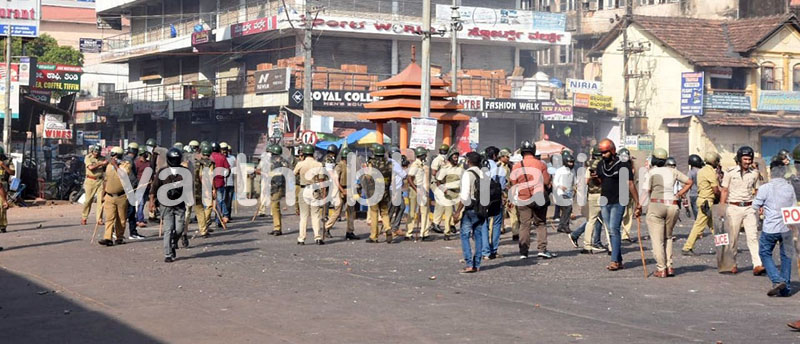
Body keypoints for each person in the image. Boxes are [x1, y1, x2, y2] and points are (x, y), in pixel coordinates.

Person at [641, 149, 692, 278]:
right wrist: (678, 194)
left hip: (656, 205)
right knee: (668, 237)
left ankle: (661, 268)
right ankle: (669, 266)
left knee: (657, 240)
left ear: (654, 160)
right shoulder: (673, 171)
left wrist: (638, 207)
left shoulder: (651, 172)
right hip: (673, 205)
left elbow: (646, 191)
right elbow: (689, 182)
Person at [595, 139, 641, 271]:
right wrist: (594, 178)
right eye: (601, 153)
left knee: (614, 229)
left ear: (612, 150)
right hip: (605, 201)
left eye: (605, 152)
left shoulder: (623, 164)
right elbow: (601, 182)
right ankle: (619, 260)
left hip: (619, 200)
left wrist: (638, 202)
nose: (603, 155)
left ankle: (614, 261)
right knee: (610, 231)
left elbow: (630, 183)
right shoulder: (601, 164)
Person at [719, 146, 763, 275]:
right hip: (733, 207)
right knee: (733, 238)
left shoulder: (755, 173)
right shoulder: (730, 172)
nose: (747, 162)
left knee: (753, 237)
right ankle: (731, 263)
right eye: (745, 159)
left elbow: (757, 191)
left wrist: (760, 205)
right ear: (739, 159)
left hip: (749, 208)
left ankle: (757, 264)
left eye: (749, 159)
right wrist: (721, 208)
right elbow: (724, 190)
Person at [754, 160, 796, 297]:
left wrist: (761, 207)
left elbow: (755, 205)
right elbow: (794, 207)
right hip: (787, 227)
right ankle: (786, 289)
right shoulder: (789, 187)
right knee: (786, 257)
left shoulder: (765, 188)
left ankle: (776, 279)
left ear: (771, 172)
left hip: (770, 228)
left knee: (764, 253)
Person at [510, 140, 554, 259]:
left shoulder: (516, 166)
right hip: (538, 198)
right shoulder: (541, 164)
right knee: (541, 223)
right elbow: (546, 182)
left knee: (524, 225)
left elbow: (513, 184)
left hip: (523, 198)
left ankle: (523, 252)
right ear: (533, 151)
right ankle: (542, 249)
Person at [149, 148, 189, 263]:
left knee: (179, 229)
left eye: (176, 159)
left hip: (179, 204)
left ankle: (173, 242)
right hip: (165, 205)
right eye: (173, 159)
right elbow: (154, 188)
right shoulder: (162, 172)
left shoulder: (185, 172)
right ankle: (168, 254)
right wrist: (151, 202)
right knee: (168, 229)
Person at [682, 152, 722, 256]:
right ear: (714, 161)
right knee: (699, 226)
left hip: (702, 199)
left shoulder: (702, 171)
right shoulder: (710, 172)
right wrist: (721, 198)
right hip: (707, 202)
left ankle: (723, 246)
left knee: (714, 226)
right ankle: (687, 247)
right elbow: (715, 190)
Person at [454, 152, 487, 273]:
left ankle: (469, 264)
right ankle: (477, 264)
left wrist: (458, 212)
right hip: (481, 208)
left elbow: (465, 196)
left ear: (469, 161)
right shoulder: (483, 173)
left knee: (465, 235)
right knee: (478, 235)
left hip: (470, 208)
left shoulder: (468, 174)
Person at [569, 147, 606, 253]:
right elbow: (585, 181)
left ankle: (586, 242)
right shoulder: (601, 165)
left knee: (593, 220)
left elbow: (585, 182)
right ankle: (598, 243)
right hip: (600, 195)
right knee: (598, 220)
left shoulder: (592, 165)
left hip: (596, 195)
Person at [98, 147, 132, 246]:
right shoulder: (109, 166)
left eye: (113, 155)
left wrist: (115, 165)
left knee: (121, 219)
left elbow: (123, 175)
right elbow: (105, 180)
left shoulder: (126, 165)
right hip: (109, 196)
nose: (112, 157)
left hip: (121, 196)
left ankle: (119, 237)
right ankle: (107, 238)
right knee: (109, 218)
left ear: (118, 155)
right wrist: (103, 195)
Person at [324, 146, 358, 240]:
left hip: (349, 189)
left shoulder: (350, 166)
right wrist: (342, 190)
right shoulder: (339, 166)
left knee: (350, 211)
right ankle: (327, 227)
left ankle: (350, 231)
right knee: (337, 211)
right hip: (340, 190)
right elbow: (335, 179)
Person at [295, 144, 326, 245]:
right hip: (314, 190)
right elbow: (321, 180)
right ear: (313, 153)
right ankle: (317, 237)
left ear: (304, 153)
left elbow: (293, 174)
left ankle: (301, 238)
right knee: (315, 215)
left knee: (303, 216)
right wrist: (324, 193)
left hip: (303, 189)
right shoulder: (318, 164)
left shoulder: (300, 164)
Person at [363, 144, 394, 244]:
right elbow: (391, 178)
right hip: (385, 192)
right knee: (384, 212)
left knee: (374, 213)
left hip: (374, 192)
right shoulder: (389, 164)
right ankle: (388, 228)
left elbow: (368, 177)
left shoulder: (371, 164)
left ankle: (374, 236)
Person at [480, 146, 505, 259]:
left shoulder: (481, 167)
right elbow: (503, 186)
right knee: (497, 223)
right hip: (496, 198)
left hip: (483, 197)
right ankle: (493, 250)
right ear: (495, 156)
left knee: (484, 224)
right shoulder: (499, 168)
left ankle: (485, 252)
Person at [258, 144, 288, 236]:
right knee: (275, 206)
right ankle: (276, 227)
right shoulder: (284, 162)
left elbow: (266, 173)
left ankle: (277, 228)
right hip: (281, 186)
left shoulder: (270, 162)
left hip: (273, 186)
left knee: (275, 206)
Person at [436, 149, 463, 240]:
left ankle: (452, 223)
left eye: (457, 157)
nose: (456, 159)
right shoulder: (445, 169)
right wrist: (443, 189)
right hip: (448, 193)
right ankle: (447, 233)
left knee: (461, 213)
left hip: (459, 193)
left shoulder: (461, 168)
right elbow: (438, 181)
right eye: (454, 157)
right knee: (448, 214)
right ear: (450, 158)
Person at [406, 147, 431, 241]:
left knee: (425, 211)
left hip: (423, 189)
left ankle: (424, 233)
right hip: (415, 189)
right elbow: (409, 179)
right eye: (424, 155)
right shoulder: (415, 165)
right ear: (421, 155)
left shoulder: (423, 165)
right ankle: (409, 233)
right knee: (412, 212)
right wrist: (416, 189)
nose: (426, 156)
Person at [82, 145, 108, 226]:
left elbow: (105, 169)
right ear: (92, 151)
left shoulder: (102, 158)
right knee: (88, 200)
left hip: (100, 181)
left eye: (98, 152)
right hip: (90, 181)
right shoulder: (88, 157)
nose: (96, 153)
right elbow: (90, 167)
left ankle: (99, 219)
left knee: (100, 201)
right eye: (95, 152)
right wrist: (101, 163)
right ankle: (84, 217)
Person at [193, 144, 215, 238]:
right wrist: (211, 189)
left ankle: (184, 231)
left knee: (196, 210)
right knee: (206, 207)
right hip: (203, 188)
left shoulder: (196, 162)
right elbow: (207, 176)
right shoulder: (209, 163)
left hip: (193, 189)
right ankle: (204, 228)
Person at [123, 143, 145, 240]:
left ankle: (120, 231)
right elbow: (131, 177)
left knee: (127, 212)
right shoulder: (129, 161)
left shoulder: (124, 159)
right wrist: (137, 184)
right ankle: (132, 232)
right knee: (130, 212)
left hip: (125, 189)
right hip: (129, 189)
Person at [554, 151, 576, 234]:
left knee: (566, 210)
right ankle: (566, 226)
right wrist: (560, 186)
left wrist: (575, 187)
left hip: (569, 193)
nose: (571, 164)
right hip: (561, 193)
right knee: (568, 209)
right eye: (569, 162)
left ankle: (560, 226)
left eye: (572, 162)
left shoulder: (572, 171)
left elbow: (575, 181)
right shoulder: (560, 170)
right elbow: (555, 181)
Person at [429, 144, 449, 233]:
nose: (443, 153)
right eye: (442, 151)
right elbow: (434, 173)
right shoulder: (437, 160)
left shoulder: (445, 160)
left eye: (444, 151)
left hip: (442, 183)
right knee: (440, 202)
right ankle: (435, 223)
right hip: (436, 183)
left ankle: (436, 222)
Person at [209, 142, 231, 227]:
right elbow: (228, 170)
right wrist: (225, 175)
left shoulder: (208, 157)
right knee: (220, 201)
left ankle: (209, 221)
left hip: (208, 183)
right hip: (219, 182)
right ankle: (221, 217)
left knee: (208, 203)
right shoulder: (222, 157)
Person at [618, 148, 637, 244]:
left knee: (628, 214)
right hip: (621, 193)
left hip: (627, 193)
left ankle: (625, 235)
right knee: (623, 214)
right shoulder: (619, 166)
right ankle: (622, 234)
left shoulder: (627, 165)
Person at [135, 147, 151, 228]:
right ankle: (139, 220)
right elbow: (135, 174)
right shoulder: (137, 163)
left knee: (143, 203)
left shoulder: (149, 163)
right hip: (140, 186)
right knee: (140, 203)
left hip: (147, 186)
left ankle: (138, 217)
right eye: (145, 153)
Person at [221, 142, 236, 221]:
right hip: (222, 183)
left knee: (229, 201)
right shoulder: (219, 158)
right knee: (222, 200)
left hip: (230, 182)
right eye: (223, 150)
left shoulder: (232, 158)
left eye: (226, 150)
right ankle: (223, 215)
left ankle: (228, 215)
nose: (225, 151)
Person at [0, 146, 13, 234]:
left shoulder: (7, 161)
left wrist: (3, 166)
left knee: (2, 207)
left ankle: (2, 225)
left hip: (3, 185)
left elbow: (12, 172)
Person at [687, 154, 704, 219]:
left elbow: (688, 183)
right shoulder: (702, 171)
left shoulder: (691, 172)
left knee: (696, 214)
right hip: (703, 194)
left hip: (694, 194)